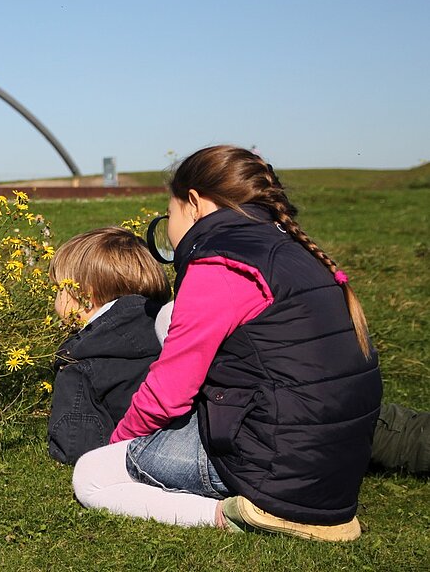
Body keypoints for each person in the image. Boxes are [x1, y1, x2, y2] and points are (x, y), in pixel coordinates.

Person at [69, 145, 384, 542]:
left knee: (92, 476)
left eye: (170, 213)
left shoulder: (219, 264)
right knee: (170, 316)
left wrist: (122, 446)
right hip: (333, 462)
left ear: (195, 204)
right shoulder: (290, 250)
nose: (168, 226)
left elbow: (167, 396)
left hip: (274, 468)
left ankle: (234, 514)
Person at [46, 227, 171, 465]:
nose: (54, 300)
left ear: (85, 296)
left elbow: (74, 446)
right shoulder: (173, 331)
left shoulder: (80, 359)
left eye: (59, 289)